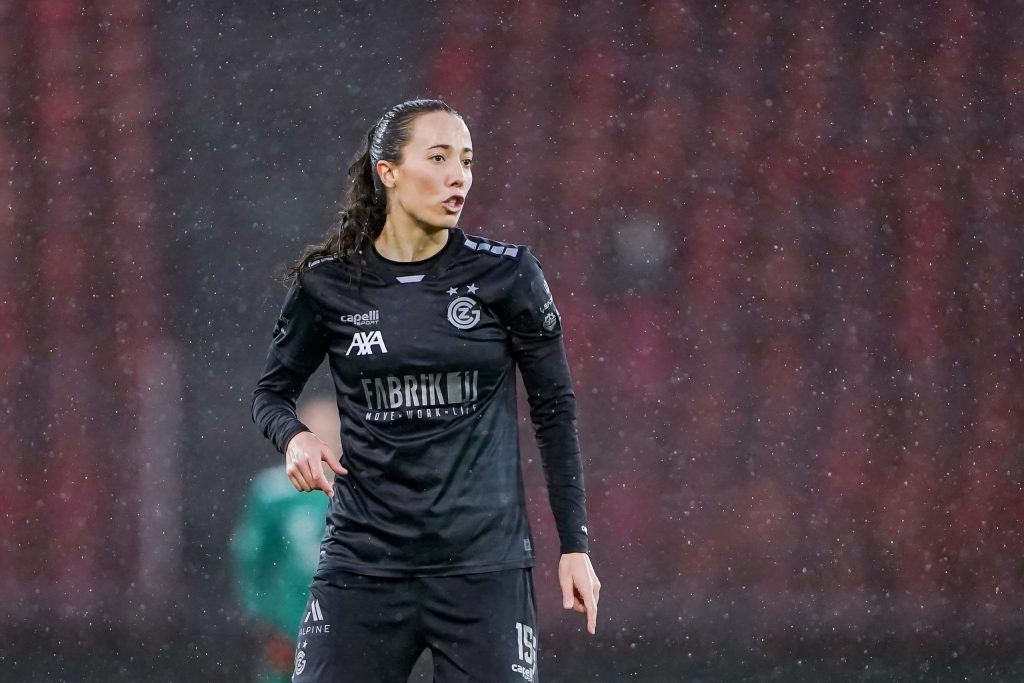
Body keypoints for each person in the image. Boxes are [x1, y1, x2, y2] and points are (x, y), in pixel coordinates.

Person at [251, 98, 600, 683]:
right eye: (438, 158)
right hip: (364, 565)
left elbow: (555, 411)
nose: (458, 175)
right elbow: (270, 394)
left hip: (482, 571)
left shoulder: (508, 275)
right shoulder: (329, 283)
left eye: (466, 160)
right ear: (388, 172)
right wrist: (295, 437)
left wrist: (575, 546)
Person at [232, 397, 338, 683]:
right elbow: (251, 560)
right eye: (317, 435)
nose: (326, 444)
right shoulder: (274, 495)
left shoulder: (359, 495)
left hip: (346, 634)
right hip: (288, 633)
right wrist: (266, 624)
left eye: (333, 435)